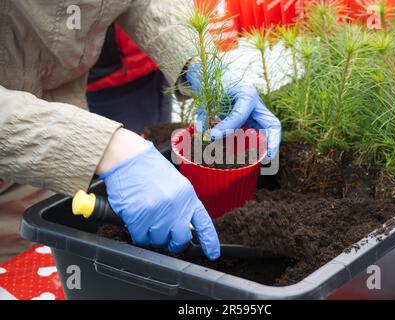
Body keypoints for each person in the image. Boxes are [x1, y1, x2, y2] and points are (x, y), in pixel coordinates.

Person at [0, 0, 281, 261]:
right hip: (12, 159)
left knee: (57, 251)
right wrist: (108, 148)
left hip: (56, 145)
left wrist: (199, 64)